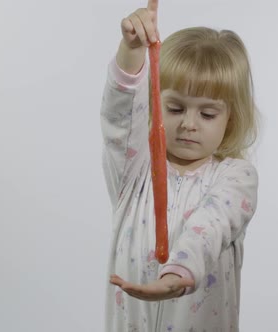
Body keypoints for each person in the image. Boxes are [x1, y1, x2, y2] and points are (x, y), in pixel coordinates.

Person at [100, 0, 259, 330]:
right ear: (155, 102)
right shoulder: (134, 173)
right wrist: (132, 51)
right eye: (175, 108)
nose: (189, 124)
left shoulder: (235, 177)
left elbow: (210, 226)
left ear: (230, 119)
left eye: (207, 113)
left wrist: (179, 272)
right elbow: (120, 118)